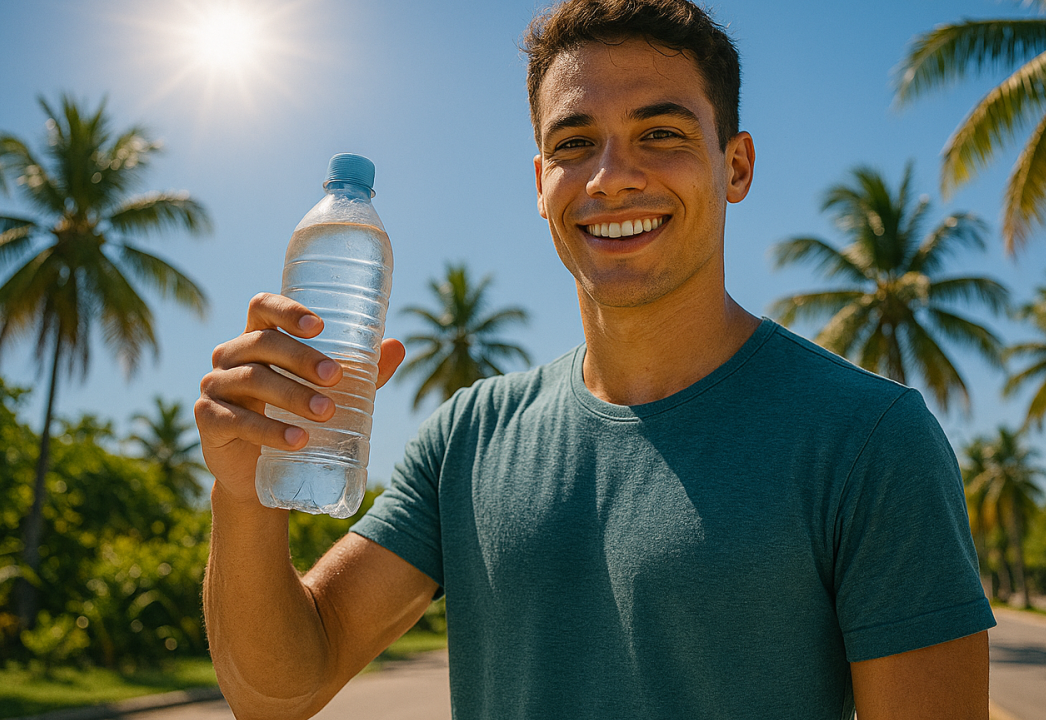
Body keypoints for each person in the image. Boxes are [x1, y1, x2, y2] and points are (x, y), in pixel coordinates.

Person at [195, 0, 996, 718]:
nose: (612, 178)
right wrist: (243, 490)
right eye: (576, 144)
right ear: (542, 183)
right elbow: (279, 690)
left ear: (737, 165)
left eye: (662, 134)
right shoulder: (470, 436)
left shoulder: (869, 441)